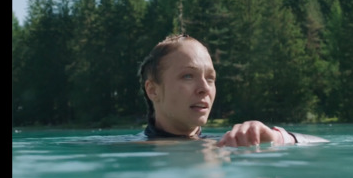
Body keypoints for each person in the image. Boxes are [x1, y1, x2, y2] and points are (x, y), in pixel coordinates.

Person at [138, 34, 328, 147]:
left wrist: (277, 137)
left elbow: (324, 144)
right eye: (188, 76)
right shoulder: (127, 150)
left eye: (210, 78)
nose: (205, 88)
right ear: (153, 90)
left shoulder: (229, 144)